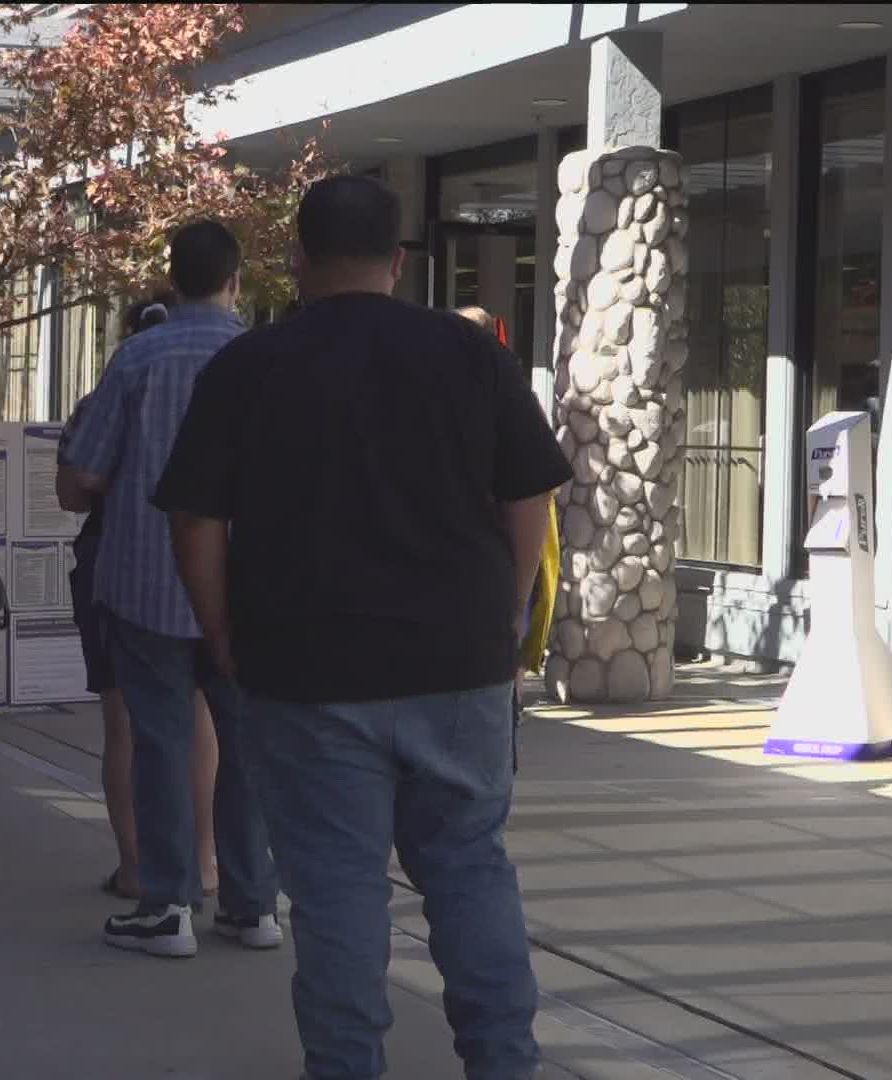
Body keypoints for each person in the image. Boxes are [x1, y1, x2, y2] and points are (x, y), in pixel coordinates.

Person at [153, 176, 571, 1078]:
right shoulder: (470, 356)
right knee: (469, 871)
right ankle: (504, 1063)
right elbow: (527, 493)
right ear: (401, 260)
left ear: (297, 258)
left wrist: (222, 632)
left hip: (305, 667)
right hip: (457, 661)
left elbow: (194, 522)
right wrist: (501, 612)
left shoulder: (250, 366)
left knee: (337, 895)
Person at [61, 222, 280, 959]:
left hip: (145, 582)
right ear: (236, 281)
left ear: (173, 278)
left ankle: (166, 905)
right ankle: (252, 906)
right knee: (247, 747)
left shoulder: (137, 357)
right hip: (251, 584)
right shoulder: (267, 360)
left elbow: (84, 476)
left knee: (159, 742)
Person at [59, 295, 221, 904]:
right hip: (216, 562)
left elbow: (77, 486)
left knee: (128, 721)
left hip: (128, 566)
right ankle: (206, 865)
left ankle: (140, 870)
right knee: (205, 717)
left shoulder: (117, 380)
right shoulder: (240, 360)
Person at [455, 305, 562, 772]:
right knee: (507, 659)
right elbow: (537, 493)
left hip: (478, 566)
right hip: (504, 564)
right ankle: (503, 746)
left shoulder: (434, 397)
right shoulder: (511, 397)